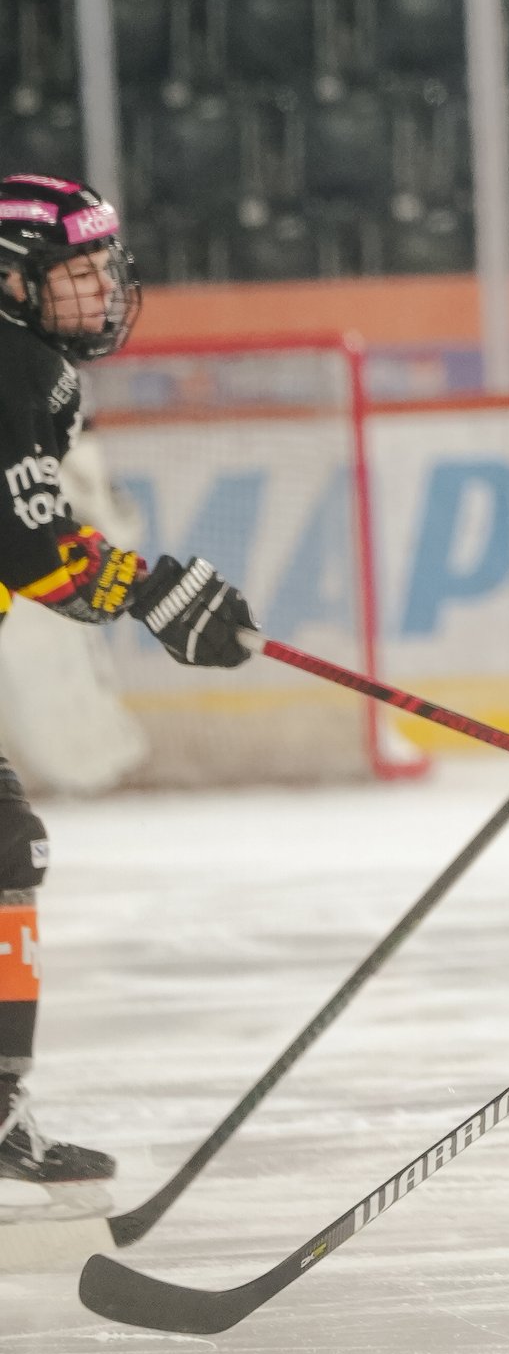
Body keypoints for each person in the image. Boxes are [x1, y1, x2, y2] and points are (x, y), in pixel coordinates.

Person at [0, 174, 254, 1216]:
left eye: (105, 267)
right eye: (77, 272)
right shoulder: (19, 365)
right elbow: (31, 546)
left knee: (6, 851)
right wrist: (150, 592)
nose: (101, 289)